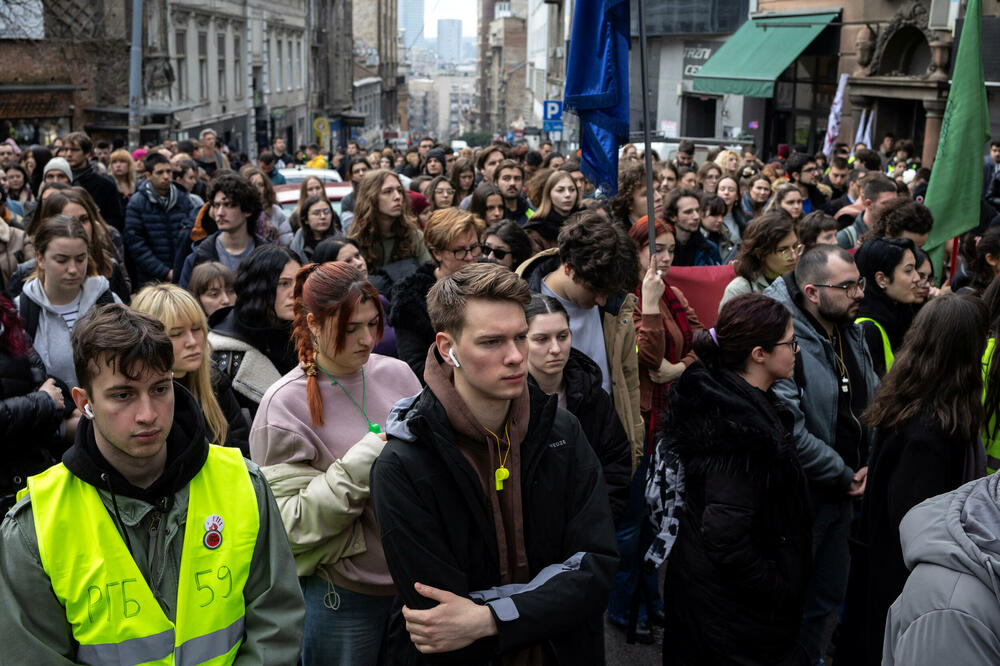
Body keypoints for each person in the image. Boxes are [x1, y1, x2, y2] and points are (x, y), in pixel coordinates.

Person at [0, 304, 305, 662]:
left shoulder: (244, 484)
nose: (147, 414)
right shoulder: (35, 526)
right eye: (123, 395)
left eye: (160, 389)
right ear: (85, 402)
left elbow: (276, 624)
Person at [369, 263, 618, 662]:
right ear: (448, 349)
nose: (517, 356)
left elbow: (596, 568)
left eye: (521, 337)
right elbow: (440, 616)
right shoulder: (403, 463)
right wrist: (547, 602)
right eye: (491, 342)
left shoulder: (562, 431)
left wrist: (490, 618)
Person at [250, 261, 420, 664]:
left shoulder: (399, 374)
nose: (367, 339)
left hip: (414, 586)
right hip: (342, 599)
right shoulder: (284, 405)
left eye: (373, 323)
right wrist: (363, 462)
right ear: (313, 324)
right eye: (350, 328)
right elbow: (289, 526)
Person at [657, 293, 812, 666]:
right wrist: (778, 587)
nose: (796, 350)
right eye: (790, 342)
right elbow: (725, 537)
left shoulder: (732, 404)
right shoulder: (736, 433)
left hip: (718, 605)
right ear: (758, 354)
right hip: (730, 616)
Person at [836, 294, 987, 666]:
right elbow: (912, 525)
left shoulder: (922, 399)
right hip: (902, 587)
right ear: (965, 347)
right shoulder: (929, 430)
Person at [763, 245, 879, 664]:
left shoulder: (847, 325)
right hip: (800, 494)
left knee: (825, 597)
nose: (859, 294)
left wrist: (871, 459)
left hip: (844, 490)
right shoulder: (779, 332)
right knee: (788, 599)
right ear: (812, 291)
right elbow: (789, 428)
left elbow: (872, 396)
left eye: (859, 283)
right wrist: (845, 473)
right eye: (847, 286)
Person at [524, 294, 630, 522]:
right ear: (521, 342)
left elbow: (615, 463)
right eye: (541, 339)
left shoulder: (592, 395)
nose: (555, 349)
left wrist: (600, 521)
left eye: (562, 336)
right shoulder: (510, 401)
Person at [132, 283, 250, 455]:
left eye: (196, 329)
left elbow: (242, 451)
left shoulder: (214, 380)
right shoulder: (140, 401)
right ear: (148, 340)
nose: (192, 342)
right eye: (176, 334)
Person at [15, 216, 123, 389]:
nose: (73, 269)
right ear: (40, 259)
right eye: (61, 260)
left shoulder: (108, 301)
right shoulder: (20, 312)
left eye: (80, 259)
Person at [389, 209, 485, 381]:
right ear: (436, 253)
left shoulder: (492, 277)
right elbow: (414, 366)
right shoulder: (411, 297)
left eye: (474, 247)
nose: (470, 257)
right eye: (460, 251)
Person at [0, 293, 72, 514]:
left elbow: (38, 375)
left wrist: (62, 413)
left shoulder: (7, 316)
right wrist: (43, 401)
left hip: (32, 473)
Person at [209, 245, 301, 416]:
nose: (295, 293)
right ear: (258, 286)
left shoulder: (311, 335)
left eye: (299, 282)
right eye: (284, 284)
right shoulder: (225, 355)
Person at [312, 235, 398, 358]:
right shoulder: (326, 318)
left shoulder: (379, 300)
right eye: (348, 261)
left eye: (357, 256)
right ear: (329, 271)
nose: (358, 263)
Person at [178, 173, 268, 287]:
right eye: (216, 205)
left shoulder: (268, 256)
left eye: (229, 205)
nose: (220, 213)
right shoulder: (197, 257)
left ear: (248, 210)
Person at [125, 152, 199, 286]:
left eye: (169, 171)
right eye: (160, 172)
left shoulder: (182, 198)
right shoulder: (137, 202)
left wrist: (181, 269)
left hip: (182, 273)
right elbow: (136, 244)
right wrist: (164, 272)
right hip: (151, 278)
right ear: (148, 175)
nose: (166, 176)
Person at [347, 169, 432, 281]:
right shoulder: (354, 241)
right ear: (371, 198)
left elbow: (429, 277)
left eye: (400, 190)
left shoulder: (415, 236)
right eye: (388, 191)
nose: (397, 197)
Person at [854, 237, 921, 377]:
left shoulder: (904, 313)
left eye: (915, 269)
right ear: (882, 279)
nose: (917, 278)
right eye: (908, 270)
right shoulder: (866, 329)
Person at [721, 214, 800, 308]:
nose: (793, 256)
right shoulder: (739, 290)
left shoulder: (798, 281)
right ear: (760, 253)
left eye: (795, 247)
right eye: (783, 250)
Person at [61, 131, 124, 232]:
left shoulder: (105, 185)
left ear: (87, 153)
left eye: (74, 150)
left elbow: (115, 220)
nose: (68, 154)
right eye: (66, 150)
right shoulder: (58, 181)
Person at [523, 169, 581, 252]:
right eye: (560, 190)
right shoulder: (536, 230)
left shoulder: (586, 222)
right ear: (549, 194)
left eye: (572, 189)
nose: (568, 195)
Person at [837, 175, 898, 249]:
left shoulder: (897, 232)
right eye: (887, 203)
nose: (893, 207)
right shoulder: (846, 238)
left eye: (896, 203)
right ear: (868, 204)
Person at [664, 188, 721, 267]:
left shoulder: (710, 249)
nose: (696, 216)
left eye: (697, 210)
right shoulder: (662, 250)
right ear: (672, 216)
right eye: (688, 212)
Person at [241, 165, 293, 246]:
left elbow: (286, 241)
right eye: (253, 185)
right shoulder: (241, 212)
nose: (258, 189)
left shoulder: (275, 211)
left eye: (261, 185)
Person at [290, 194, 342, 262]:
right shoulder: (298, 243)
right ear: (306, 219)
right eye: (316, 213)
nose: (323, 216)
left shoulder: (340, 242)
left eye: (326, 212)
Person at [493, 160, 532, 225]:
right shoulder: (491, 214)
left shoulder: (532, 214)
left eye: (517, 179)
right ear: (496, 182)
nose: (512, 183)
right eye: (506, 178)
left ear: (523, 182)